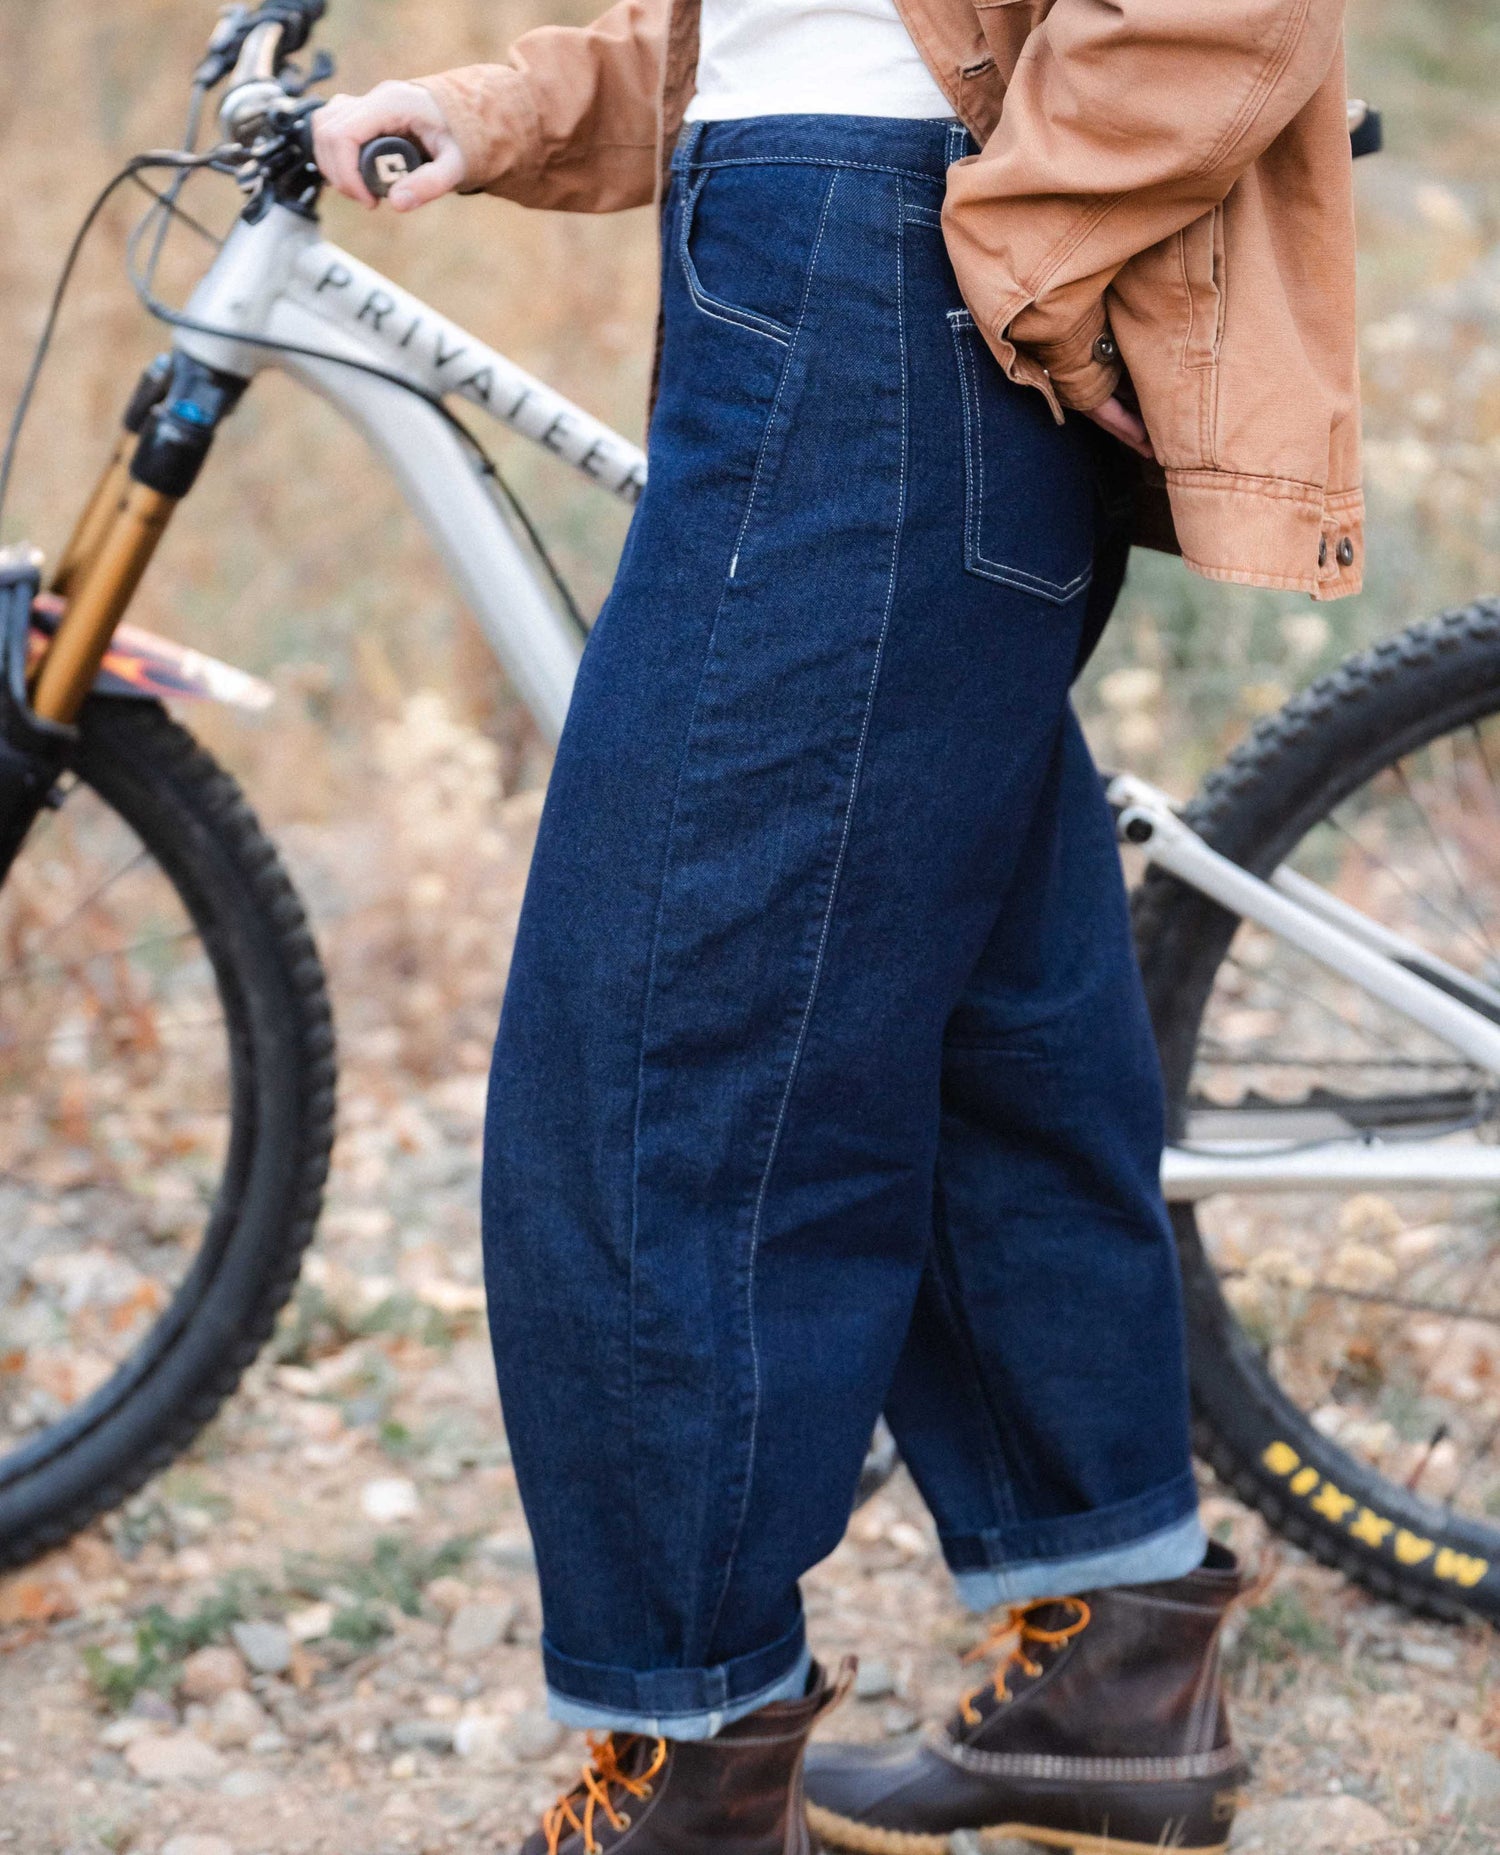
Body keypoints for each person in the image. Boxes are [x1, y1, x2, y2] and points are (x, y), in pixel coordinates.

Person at [313, 2, 1359, 1849]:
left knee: (655, 1049)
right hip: (834, 276)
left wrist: (1014, 261)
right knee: (969, 1011)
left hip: (895, 307)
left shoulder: (958, 249)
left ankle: (697, 1769)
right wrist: (487, 109)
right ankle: (1117, 1663)